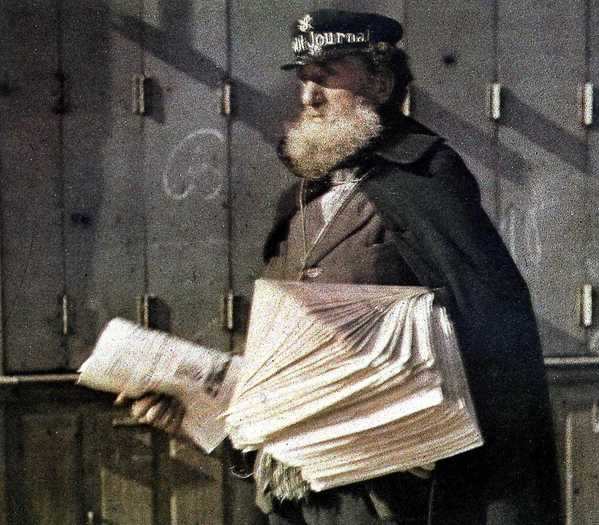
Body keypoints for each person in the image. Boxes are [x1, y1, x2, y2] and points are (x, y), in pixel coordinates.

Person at [120, 9, 562, 525]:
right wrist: (198, 412)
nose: (308, 96)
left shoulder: (426, 178)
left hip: (386, 496)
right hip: (296, 493)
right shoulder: (302, 199)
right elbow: (279, 359)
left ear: (379, 80)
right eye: (305, 78)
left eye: (326, 77)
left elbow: (489, 334)